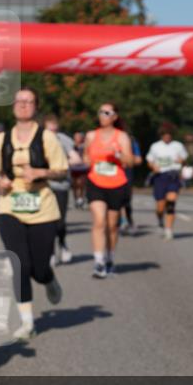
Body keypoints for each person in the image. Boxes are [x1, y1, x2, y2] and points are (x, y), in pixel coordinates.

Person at [0, 88, 68, 340]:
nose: (23, 105)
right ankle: (27, 322)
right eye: (19, 101)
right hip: (9, 206)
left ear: (36, 106)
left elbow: (62, 171)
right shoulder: (1, 140)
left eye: (29, 101)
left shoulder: (47, 138)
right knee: (20, 264)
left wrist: (40, 173)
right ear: (13, 105)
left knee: (39, 269)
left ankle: (49, 279)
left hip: (42, 207)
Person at [84, 102, 134, 278]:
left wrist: (118, 154)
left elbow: (130, 161)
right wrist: (85, 161)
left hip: (116, 184)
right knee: (99, 221)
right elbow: (86, 157)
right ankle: (98, 262)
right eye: (101, 112)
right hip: (95, 182)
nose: (103, 115)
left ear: (115, 117)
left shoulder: (122, 137)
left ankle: (110, 258)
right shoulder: (91, 135)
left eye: (107, 112)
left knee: (112, 226)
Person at [42, 114, 81, 264]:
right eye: (49, 130)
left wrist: (60, 163)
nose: (52, 133)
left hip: (61, 185)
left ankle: (62, 244)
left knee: (60, 222)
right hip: (43, 186)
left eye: (55, 130)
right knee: (46, 221)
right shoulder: (38, 140)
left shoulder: (63, 140)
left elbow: (76, 159)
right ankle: (50, 252)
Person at [146, 122, 189, 240]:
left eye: (169, 134)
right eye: (165, 134)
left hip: (173, 176)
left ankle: (169, 229)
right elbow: (149, 161)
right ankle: (160, 219)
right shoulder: (155, 146)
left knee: (171, 202)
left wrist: (182, 161)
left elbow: (184, 160)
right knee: (160, 206)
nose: (167, 136)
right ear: (161, 135)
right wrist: (153, 167)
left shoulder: (178, 146)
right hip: (160, 177)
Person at [119, 127, 143, 234]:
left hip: (126, 172)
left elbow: (138, 160)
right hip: (110, 173)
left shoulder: (132, 142)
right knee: (114, 199)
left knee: (126, 198)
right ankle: (121, 220)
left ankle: (127, 220)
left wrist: (127, 158)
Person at [70, 130, 88, 208]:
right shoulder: (71, 145)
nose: (77, 138)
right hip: (73, 168)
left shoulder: (84, 146)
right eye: (76, 137)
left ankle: (81, 198)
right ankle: (76, 199)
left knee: (81, 184)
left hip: (83, 168)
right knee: (75, 185)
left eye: (78, 137)